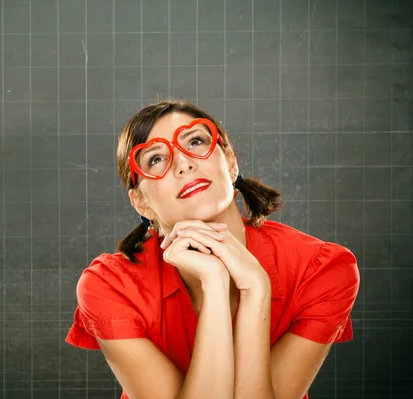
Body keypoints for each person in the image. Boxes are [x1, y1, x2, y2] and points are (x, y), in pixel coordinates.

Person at [65, 100, 360, 399]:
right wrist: (215, 284)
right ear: (141, 202)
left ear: (230, 163)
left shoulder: (322, 269)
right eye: (155, 159)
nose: (184, 164)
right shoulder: (109, 286)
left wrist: (256, 289)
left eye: (195, 141)